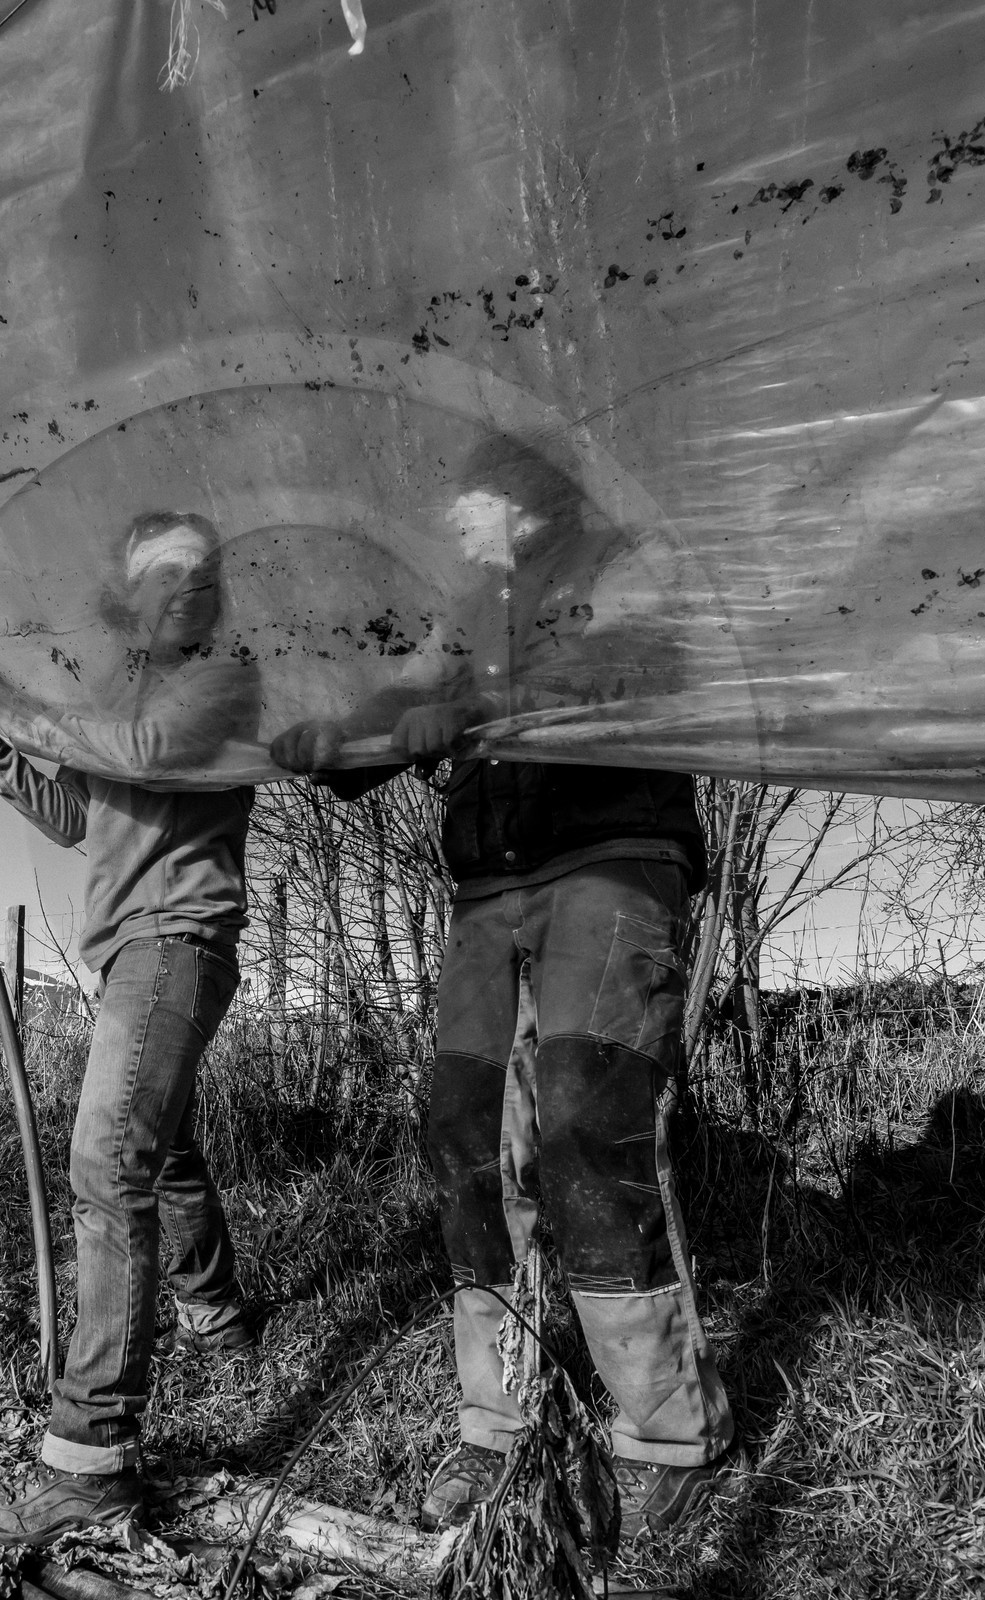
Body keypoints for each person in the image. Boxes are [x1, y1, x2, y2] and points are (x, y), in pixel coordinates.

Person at [270, 437, 736, 1541]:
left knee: (587, 1115)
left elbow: (660, 666)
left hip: (611, 854)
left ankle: (670, 1432)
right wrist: (335, 742)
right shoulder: (466, 614)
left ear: (523, 506)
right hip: (490, 884)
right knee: (459, 1131)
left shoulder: (621, 569)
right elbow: (411, 701)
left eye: (469, 503)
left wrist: (474, 701)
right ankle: (498, 1423)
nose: (455, 525)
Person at [0, 511, 259, 1546]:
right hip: (130, 946)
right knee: (154, 1145)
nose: (182, 589)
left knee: (105, 1163)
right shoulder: (115, 701)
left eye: (196, 573)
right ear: (133, 593)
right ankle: (218, 1315)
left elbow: (148, 750)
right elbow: (78, 806)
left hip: (179, 938)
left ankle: (91, 1457)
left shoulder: (223, 683)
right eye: (160, 574)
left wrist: (29, 708)